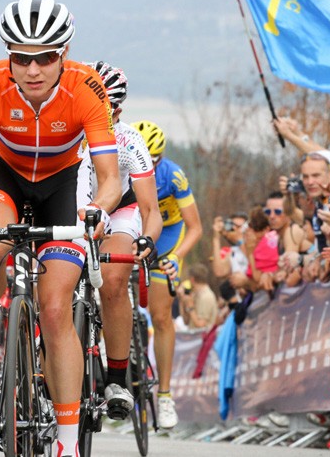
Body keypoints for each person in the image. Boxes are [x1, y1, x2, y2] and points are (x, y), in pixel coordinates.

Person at [0, 0, 120, 457]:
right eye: (21, 57)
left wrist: (98, 209)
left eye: (46, 57)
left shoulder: (87, 87)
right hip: (4, 176)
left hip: (64, 184)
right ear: (8, 55)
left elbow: (110, 177)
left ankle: (68, 445)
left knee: (55, 309)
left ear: (64, 54)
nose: (32, 70)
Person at [81, 61, 161, 418]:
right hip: (73, 211)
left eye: (106, 108)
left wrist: (147, 239)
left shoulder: (128, 139)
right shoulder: (61, 129)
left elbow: (150, 208)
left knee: (113, 280)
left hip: (119, 213)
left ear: (118, 110)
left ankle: (116, 378)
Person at [131, 119, 202, 430]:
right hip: (132, 228)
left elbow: (195, 227)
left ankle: (164, 394)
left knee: (160, 316)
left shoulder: (172, 174)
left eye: (153, 159)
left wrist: (175, 256)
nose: (147, 164)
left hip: (167, 236)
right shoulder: (121, 164)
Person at [177, 263, 217, 330]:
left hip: (203, 339)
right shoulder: (195, 295)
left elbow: (201, 325)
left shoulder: (206, 297)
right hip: (194, 338)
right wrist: (182, 300)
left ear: (192, 279)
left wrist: (191, 307)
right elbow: (186, 321)